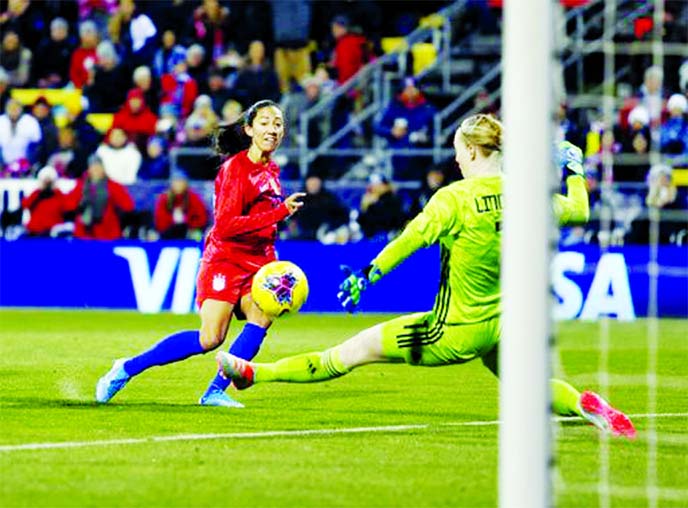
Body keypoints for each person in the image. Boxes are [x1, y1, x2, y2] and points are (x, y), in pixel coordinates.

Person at [216, 114, 637, 439]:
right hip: (500, 324)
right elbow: (579, 210)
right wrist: (576, 169)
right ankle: (586, 403)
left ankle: (253, 373)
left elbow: (410, 240)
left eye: (457, 150)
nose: (455, 158)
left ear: (472, 152)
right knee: (530, 386)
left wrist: (367, 275)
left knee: (345, 354)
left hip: (451, 330)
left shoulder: (454, 198)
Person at [95, 100, 306, 408]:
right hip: (226, 259)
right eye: (264, 123)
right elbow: (226, 224)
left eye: (277, 124)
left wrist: (272, 257)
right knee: (210, 339)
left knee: (262, 318)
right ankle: (126, 368)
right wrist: (278, 214)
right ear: (249, 129)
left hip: (258, 261)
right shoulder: (236, 169)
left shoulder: (271, 170)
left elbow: (263, 219)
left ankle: (215, 391)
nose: (272, 130)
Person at [66, 154, 135, 240]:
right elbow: (68, 205)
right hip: (84, 234)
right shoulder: (80, 185)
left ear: (103, 169)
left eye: (98, 166)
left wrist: (112, 196)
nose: (96, 169)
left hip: (107, 233)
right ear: (89, 169)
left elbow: (128, 205)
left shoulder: (112, 185)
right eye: (93, 166)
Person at [153, 170, 208, 240]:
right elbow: (159, 221)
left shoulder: (193, 198)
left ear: (185, 183)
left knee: (196, 235)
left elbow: (201, 218)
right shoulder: (164, 199)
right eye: (175, 181)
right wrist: (173, 220)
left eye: (180, 181)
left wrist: (186, 219)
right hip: (168, 232)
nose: (178, 185)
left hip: (189, 230)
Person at [21, 166, 68, 237]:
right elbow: (25, 204)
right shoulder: (36, 194)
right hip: (36, 230)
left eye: (49, 181)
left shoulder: (58, 194)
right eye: (45, 180)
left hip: (53, 231)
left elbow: (66, 207)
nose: (47, 182)